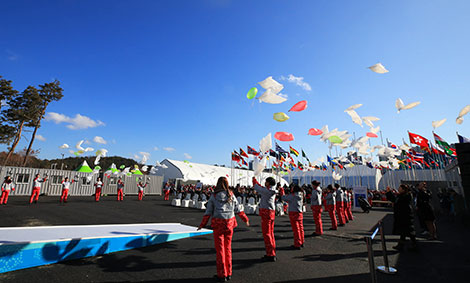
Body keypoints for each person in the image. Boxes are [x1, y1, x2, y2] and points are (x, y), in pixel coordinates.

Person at [198, 177, 249, 282]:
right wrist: (245, 219)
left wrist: (202, 224)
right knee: (228, 249)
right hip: (229, 224)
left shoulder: (214, 196)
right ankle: (229, 272)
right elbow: (238, 209)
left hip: (218, 224)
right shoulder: (231, 195)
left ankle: (222, 274)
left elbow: (208, 212)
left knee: (220, 250)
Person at [253, 176, 278, 262]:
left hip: (266, 213)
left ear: (268, 183)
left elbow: (257, 187)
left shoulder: (267, 191)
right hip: (271, 213)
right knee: (270, 233)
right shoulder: (270, 190)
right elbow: (260, 188)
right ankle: (272, 251)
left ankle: (270, 254)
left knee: (267, 234)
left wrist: (254, 180)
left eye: (266, 182)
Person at [393, 184, 417, 251]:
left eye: (400, 188)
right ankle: (401, 245)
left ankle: (414, 244)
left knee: (409, 231)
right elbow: (394, 200)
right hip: (402, 215)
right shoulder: (402, 195)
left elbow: (399, 202)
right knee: (403, 231)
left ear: (403, 189)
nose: (398, 189)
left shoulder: (406, 196)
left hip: (405, 215)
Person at [281, 184, 305, 249]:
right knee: (300, 228)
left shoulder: (292, 196)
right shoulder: (301, 194)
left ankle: (297, 243)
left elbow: (284, 198)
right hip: (299, 212)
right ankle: (302, 241)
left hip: (293, 212)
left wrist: (282, 192)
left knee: (296, 229)